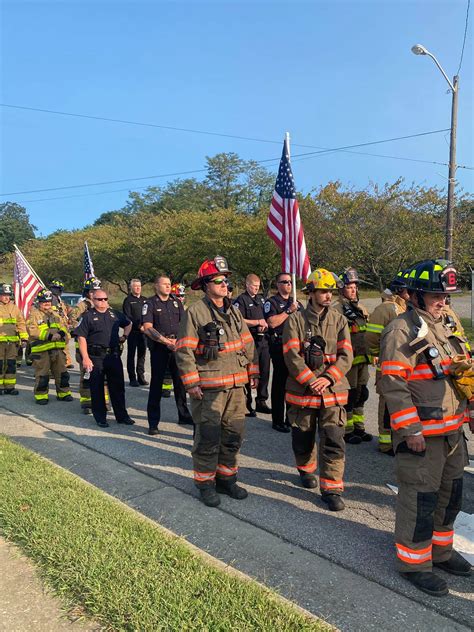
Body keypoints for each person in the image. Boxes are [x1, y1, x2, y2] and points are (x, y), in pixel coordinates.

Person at [379, 259, 473, 596]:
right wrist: (411, 431)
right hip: (424, 436)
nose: (442, 301)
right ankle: (414, 563)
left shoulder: (448, 324)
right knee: (419, 500)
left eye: (446, 296)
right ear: (414, 295)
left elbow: (462, 370)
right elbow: (392, 384)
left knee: (450, 498)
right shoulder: (400, 330)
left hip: (452, 432)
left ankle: (441, 552)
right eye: (435, 295)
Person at [175, 256, 259, 507]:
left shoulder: (233, 310)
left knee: (233, 436)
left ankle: (227, 480)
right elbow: (184, 350)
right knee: (208, 438)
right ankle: (205, 484)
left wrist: (252, 372)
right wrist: (191, 383)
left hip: (236, 386)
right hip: (209, 390)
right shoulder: (195, 313)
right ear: (205, 284)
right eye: (218, 280)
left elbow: (247, 343)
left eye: (227, 280)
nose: (225, 284)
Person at [282, 269, 353, 512]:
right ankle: (306, 469)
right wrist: (311, 380)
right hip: (303, 392)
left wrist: (329, 378)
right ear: (310, 292)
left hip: (332, 392)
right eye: (323, 290)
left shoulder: (339, 319)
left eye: (330, 291)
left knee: (333, 440)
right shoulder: (295, 321)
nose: (328, 295)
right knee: (303, 437)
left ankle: (332, 488)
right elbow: (291, 356)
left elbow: (346, 355)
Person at [73, 289, 134, 428]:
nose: (103, 302)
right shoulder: (87, 316)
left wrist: (124, 337)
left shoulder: (114, 314)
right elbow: (81, 337)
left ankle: (122, 416)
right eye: (99, 299)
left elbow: (128, 323)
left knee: (118, 387)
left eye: (105, 299)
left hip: (113, 355)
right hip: (95, 356)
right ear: (93, 300)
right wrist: (86, 358)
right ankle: (100, 418)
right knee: (97, 388)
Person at [142, 275, 193, 435]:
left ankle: (184, 415)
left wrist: (179, 342)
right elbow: (148, 327)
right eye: (164, 284)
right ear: (156, 286)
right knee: (156, 385)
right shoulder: (149, 303)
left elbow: (184, 324)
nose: (167, 287)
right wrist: (166, 341)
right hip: (160, 349)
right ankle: (153, 422)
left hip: (176, 347)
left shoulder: (176, 302)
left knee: (180, 384)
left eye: (169, 284)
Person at [366, 270, 410, 454]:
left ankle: (399, 439)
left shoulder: (407, 308)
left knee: (402, 403)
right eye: (409, 290)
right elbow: (371, 337)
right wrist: (378, 356)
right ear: (400, 290)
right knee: (386, 404)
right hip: (388, 365)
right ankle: (386, 442)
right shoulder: (386, 309)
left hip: (406, 366)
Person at [332, 268, 372, 444]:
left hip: (363, 359)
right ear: (341, 289)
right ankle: (346, 430)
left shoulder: (361, 308)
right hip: (348, 362)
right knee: (349, 395)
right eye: (349, 287)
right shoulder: (337, 310)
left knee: (362, 394)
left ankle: (359, 428)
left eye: (355, 286)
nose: (354, 290)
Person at [264, 272, 304, 432]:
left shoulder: (297, 303)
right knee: (280, 383)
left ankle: (290, 417)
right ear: (278, 284)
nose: (288, 284)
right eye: (285, 281)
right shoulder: (272, 302)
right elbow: (272, 323)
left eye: (290, 282)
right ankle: (278, 419)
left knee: (293, 383)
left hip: (295, 346)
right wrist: (288, 311)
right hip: (279, 344)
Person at [233, 274, 271, 417]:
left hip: (263, 340)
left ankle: (261, 401)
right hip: (249, 340)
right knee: (249, 372)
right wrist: (256, 323)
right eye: (254, 286)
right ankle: (248, 404)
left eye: (258, 286)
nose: (256, 288)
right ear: (247, 285)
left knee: (265, 371)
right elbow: (238, 320)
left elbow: (266, 317)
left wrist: (264, 324)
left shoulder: (261, 299)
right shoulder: (241, 300)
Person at [70, 277, 109, 414]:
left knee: (103, 376)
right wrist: (82, 330)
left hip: (100, 348)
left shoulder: (103, 305)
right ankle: (87, 402)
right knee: (87, 375)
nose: (94, 294)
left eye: (97, 291)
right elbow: (72, 320)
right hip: (84, 347)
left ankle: (104, 401)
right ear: (87, 293)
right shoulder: (82, 306)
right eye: (92, 291)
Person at [26, 289, 73, 405]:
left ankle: (64, 393)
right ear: (39, 302)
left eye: (48, 301)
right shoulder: (34, 314)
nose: (47, 304)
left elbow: (64, 327)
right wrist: (50, 336)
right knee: (42, 375)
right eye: (44, 302)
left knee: (62, 373)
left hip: (57, 349)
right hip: (42, 351)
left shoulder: (55, 314)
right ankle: (41, 396)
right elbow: (32, 331)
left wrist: (61, 334)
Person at [0, 283, 28, 394]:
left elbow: (21, 323)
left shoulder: (14, 308)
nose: (7, 297)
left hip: (12, 343)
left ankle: (10, 386)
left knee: (11, 365)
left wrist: (24, 338)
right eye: (3, 294)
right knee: (0, 365)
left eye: (8, 295)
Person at [122, 278, 148, 387]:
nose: (138, 288)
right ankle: (132, 378)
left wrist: (146, 326)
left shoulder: (145, 300)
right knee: (131, 355)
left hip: (144, 332)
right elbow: (128, 317)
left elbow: (148, 315)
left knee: (142, 355)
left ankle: (141, 377)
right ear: (131, 288)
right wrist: (138, 326)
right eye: (135, 286)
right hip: (133, 332)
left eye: (139, 286)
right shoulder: (128, 300)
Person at [48, 279, 73, 368]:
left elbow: (64, 311)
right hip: (56, 325)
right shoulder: (52, 299)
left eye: (57, 289)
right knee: (61, 344)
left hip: (62, 324)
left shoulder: (58, 299)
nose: (56, 290)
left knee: (64, 342)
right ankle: (64, 362)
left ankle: (66, 361)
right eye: (54, 288)